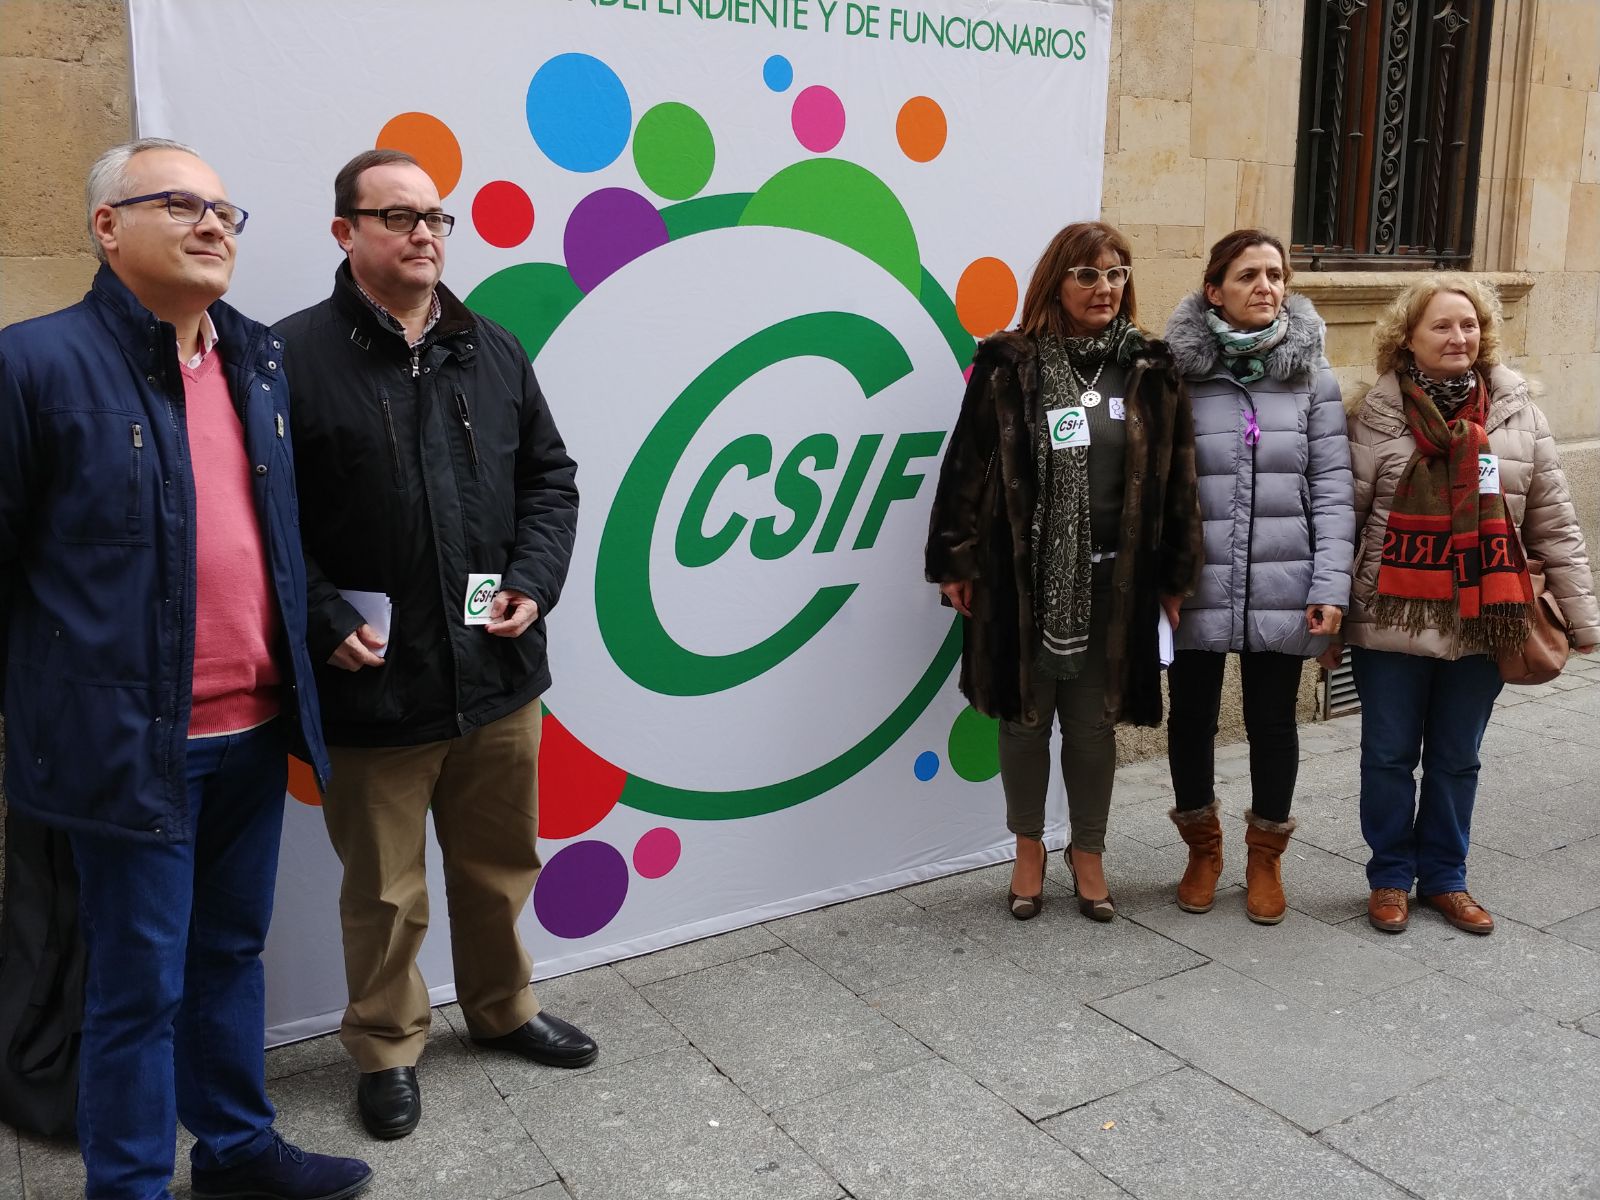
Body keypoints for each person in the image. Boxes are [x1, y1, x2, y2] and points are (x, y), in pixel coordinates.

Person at [0, 139, 372, 1200]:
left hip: (253, 732)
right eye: (181, 204)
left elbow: (269, 533)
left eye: (225, 211)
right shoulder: (34, 365)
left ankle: (238, 1151)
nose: (215, 225)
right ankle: (129, 1188)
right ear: (108, 225)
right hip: (128, 749)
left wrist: (318, 616)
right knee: (136, 992)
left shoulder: (257, 361)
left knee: (226, 959)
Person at [276, 148, 587, 1141]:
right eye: (398, 215)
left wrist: (533, 582)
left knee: (499, 866)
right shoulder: (287, 360)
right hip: (373, 690)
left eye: (436, 217)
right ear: (345, 233)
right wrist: (326, 619)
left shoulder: (491, 349)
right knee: (383, 891)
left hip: (497, 679)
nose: (423, 233)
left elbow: (550, 479)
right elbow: (263, 522)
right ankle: (387, 1046)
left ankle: (502, 1011)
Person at [925, 220, 1202, 922]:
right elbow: (967, 465)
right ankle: (1027, 848)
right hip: (1019, 579)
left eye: (1115, 273)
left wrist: (1175, 576)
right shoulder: (1008, 365)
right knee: (1022, 720)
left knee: (1092, 726)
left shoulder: (1150, 366)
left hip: (1117, 577)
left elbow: (1177, 480)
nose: (1104, 287)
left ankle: (1089, 853)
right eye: (1087, 274)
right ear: (1057, 281)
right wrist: (954, 558)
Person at [1324, 274, 1598, 935]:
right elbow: (1342, 521)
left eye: (1469, 324)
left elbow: (1553, 523)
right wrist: (1329, 610)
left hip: (1485, 619)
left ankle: (1445, 878)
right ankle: (1390, 875)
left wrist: (1582, 616)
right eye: (1442, 325)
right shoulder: (1374, 416)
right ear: (1408, 337)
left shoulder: (1518, 415)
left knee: (1457, 757)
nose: (1459, 337)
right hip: (1390, 619)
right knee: (1387, 755)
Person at [1160, 230, 1354, 924]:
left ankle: (1265, 856)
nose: (1265, 287)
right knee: (1192, 720)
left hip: (1285, 578)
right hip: (1197, 582)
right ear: (1215, 289)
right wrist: (1160, 576)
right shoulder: (1176, 374)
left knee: (1275, 723)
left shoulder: (1312, 377)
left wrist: (1330, 587)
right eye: (1248, 275)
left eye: (1276, 274)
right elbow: (1156, 486)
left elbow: (1333, 488)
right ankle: (1201, 849)